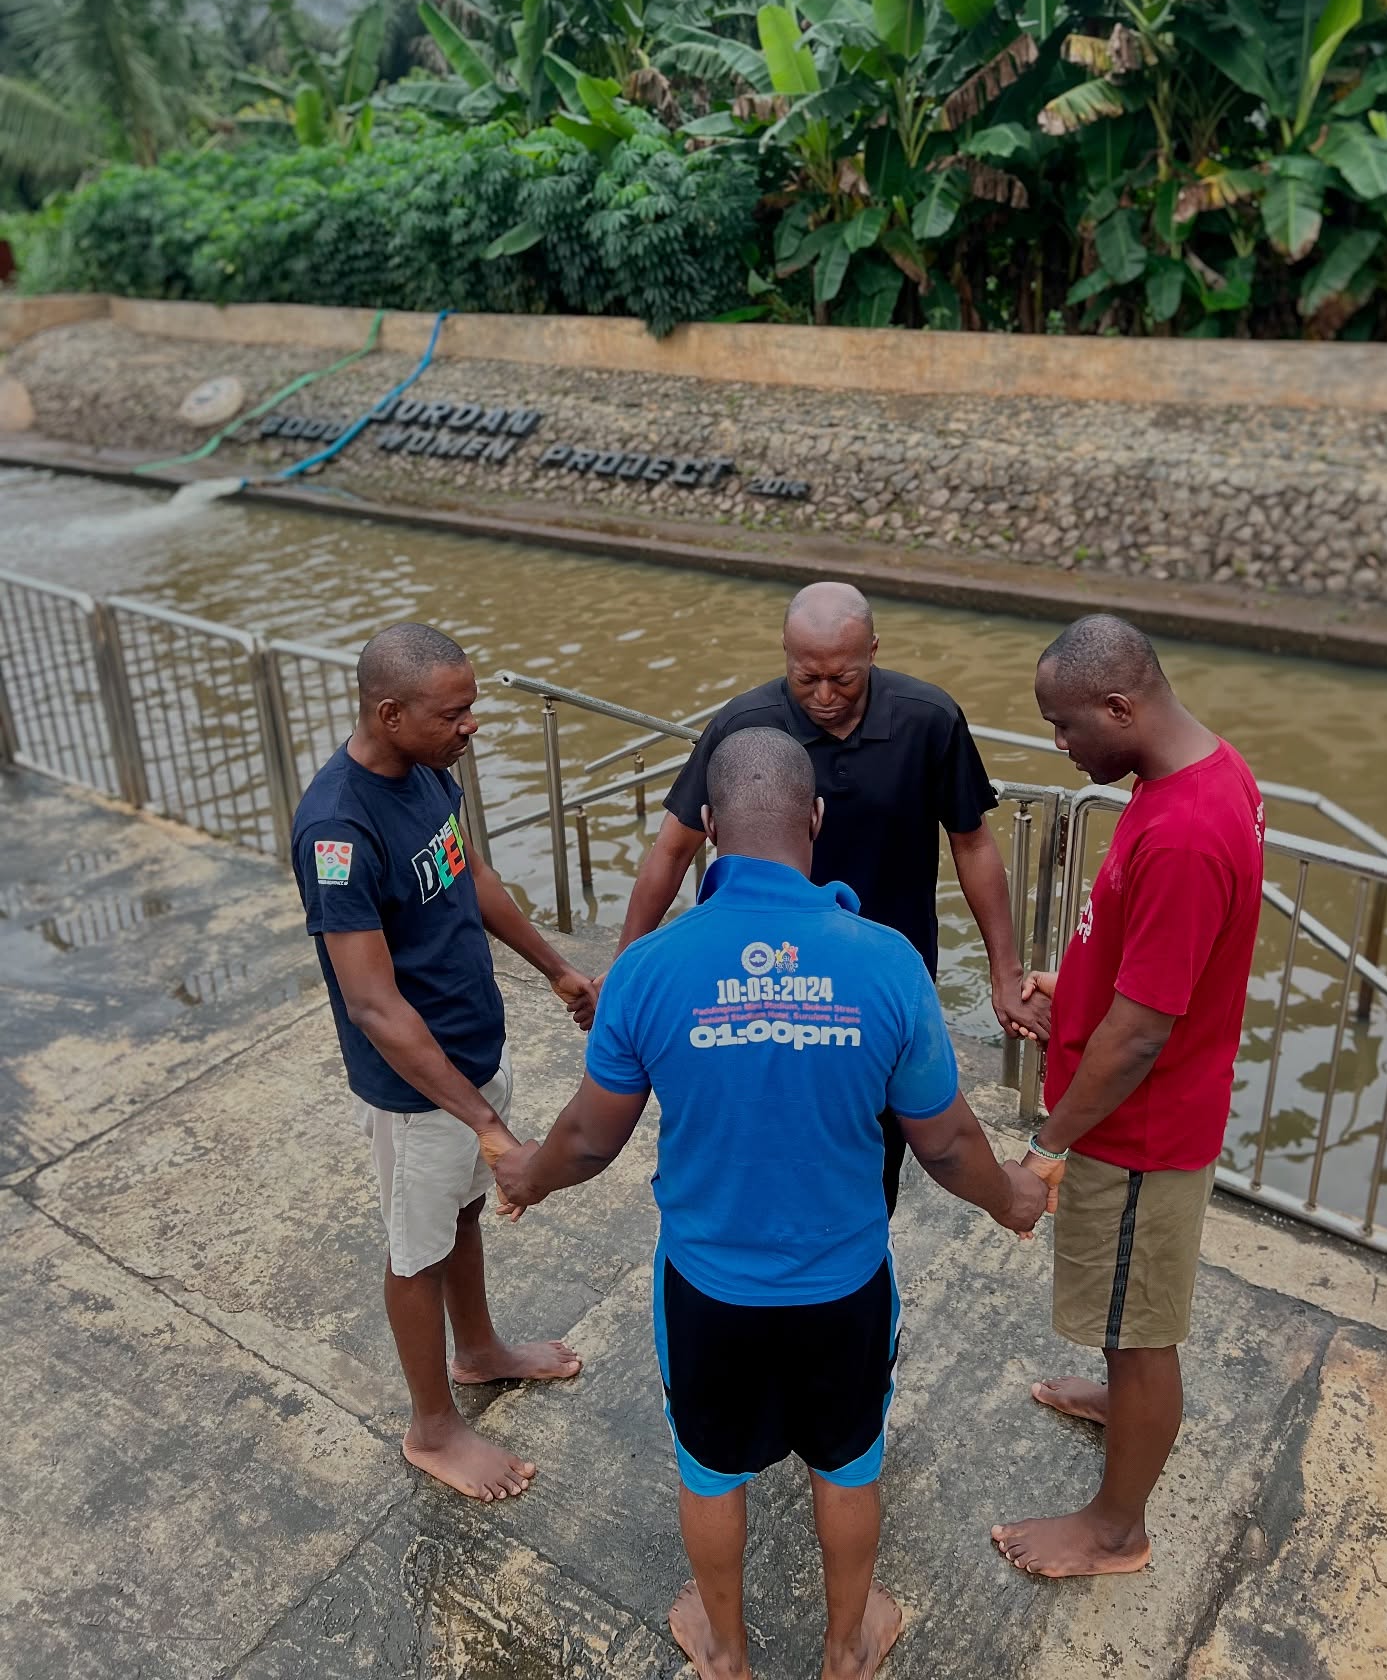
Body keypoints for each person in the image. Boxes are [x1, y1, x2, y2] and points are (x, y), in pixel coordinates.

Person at [496, 728, 1049, 1680]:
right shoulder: (886, 965)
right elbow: (949, 1142)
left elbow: (590, 1138)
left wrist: (527, 1177)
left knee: (710, 1469)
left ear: (707, 829)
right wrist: (1013, 1199)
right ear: (817, 821)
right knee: (849, 1460)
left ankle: (726, 1651)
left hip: (709, 1286)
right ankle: (847, 1646)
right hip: (844, 1282)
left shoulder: (649, 971)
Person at [615, 580, 1046, 1215]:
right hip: (764, 983)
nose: (823, 697)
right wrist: (625, 970)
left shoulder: (928, 721)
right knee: (769, 1128)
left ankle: (864, 1263)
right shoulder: (744, 729)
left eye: (842, 678)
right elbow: (672, 850)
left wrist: (1003, 972)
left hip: (887, 980)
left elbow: (974, 844)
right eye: (805, 677)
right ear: (784, 656)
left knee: (881, 1144)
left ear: (873, 650)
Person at [291, 621, 599, 1503]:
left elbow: (473, 878)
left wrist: (557, 968)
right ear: (390, 713)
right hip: (417, 1088)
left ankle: (479, 1351)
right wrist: (485, 1121)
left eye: (473, 709)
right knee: (417, 1248)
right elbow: (374, 1005)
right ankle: (431, 1427)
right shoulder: (337, 832)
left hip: (472, 1049)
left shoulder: (429, 775)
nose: (472, 727)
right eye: (453, 714)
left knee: (464, 1214)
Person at [991, 614, 1264, 1579]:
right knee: (1121, 1318)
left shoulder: (1188, 831)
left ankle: (1117, 1530)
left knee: (1140, 1329)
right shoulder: (1198, 772)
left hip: (1138, 1133)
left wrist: (1047, 1149)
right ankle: (1119, 1399)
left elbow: (1144, 1033)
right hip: (1138, 1100)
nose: (1057, 747)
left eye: (1065, 727)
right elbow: (1160, 973)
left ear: (1120, 705)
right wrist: (1072, 997)